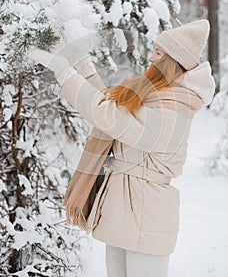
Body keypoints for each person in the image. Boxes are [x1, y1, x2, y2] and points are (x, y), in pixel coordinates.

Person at [27, 19, 215, 277]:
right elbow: (114, 108)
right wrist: (84, 67)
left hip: (146, 219)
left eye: (158, 53)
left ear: (171, 62)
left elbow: (109, 117)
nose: (150, 58)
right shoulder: (160, 97)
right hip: (125, 209)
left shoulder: (172, 109)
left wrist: (64, 71)